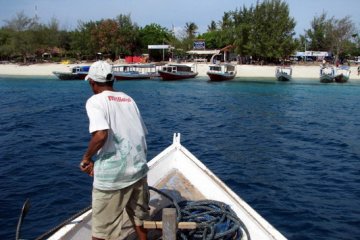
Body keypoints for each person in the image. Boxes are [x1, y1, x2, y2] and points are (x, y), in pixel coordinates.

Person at [80, 60, 149, 240]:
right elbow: (140, 134)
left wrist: (87, 159)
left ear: (92, 83)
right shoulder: (129, 99)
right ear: (113, 80)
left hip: (113, 179)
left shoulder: (95, 101)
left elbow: (101, 135)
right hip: (138, 170)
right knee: (139, 219)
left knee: (102, 231)